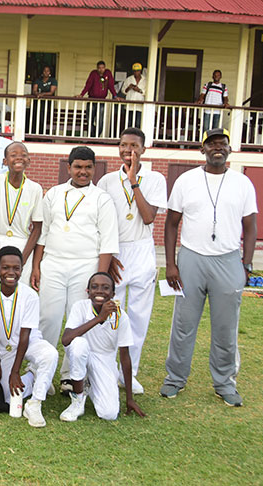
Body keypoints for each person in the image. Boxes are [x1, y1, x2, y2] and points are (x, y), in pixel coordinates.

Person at [162, 128, 257, 407]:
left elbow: (250, 227)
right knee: (183, 324)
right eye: (212, 144)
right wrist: (171, 264)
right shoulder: (186, 180)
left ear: (230, 149)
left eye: (223, 144)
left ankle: (225, 383)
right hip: (191, 258)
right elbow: (171, 224)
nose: (218, 148)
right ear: (202, 150)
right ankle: (175, 378)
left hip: (228, 259)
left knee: (226, 327)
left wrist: (246, 264)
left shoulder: (242, 183)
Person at [30, 146, 119, 393]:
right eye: (78, 167)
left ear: (94, 169)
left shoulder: (102, 199)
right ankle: (42, 370)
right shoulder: (54, 195)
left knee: (77, 318)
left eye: (88, 167)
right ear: (68, 168)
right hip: (53, 263)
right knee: (48, 317)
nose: (83, 172)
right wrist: (37, 266)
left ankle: (71, 374)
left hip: (86, 265)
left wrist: (99, 279)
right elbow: (43, 233)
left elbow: (108, 241)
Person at [97, 128, 166, 394]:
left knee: (138, 317)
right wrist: (108, 254)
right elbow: (102, 224)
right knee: (112, 314)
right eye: (124, 145)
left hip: (142, 252)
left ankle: (129, 373)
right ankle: (106, 369)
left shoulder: (155, 178)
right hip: (116, 252)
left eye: (134, 146)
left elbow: (148, 217)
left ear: (144, 149)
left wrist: (134, 180)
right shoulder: (106, 181)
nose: (129, 151)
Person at [59, 272, 146, 422]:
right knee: (79, 344)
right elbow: (66, 339)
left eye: (105, 288)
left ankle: (90, 385)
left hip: (105, 359)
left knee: (109, 414)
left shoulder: (121, 316)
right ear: (88, 292)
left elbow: (125, 357)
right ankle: (78, 400)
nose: (99, 291)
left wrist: (129, 398)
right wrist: (100, 318)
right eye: (94, 287)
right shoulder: (80, 307)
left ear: (112, 294)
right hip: (81, 353)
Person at [0, 246, 58, 427]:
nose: (11, 272)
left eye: (16, 268)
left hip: (29, 342)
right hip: (5, 347)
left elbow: (25, 336)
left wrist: (15, 372)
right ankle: (36, 377)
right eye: (5, 268)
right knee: (8, 398)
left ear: (21, 270)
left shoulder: (30, 296)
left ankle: (35, 403)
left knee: (50, 354)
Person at [0, 142, 43, 284]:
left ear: (29, 161)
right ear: (5, 161)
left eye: (23, 155)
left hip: (22, 244)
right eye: (13, 155)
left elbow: (37, 227)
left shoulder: (35, 188)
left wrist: (23, 258)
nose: (19, 158)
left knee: (19, 291)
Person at [77, 61, 119, 137]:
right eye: (99, 68)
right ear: (97, 68)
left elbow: (111, 86)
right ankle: (91, 136)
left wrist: (115, 96)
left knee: (100, 121)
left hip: (102, 100)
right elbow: (88, 85)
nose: (101, 69)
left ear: (105, 68)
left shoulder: (108, 73)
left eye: (102, 68)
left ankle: (96, 136)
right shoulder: (93, 73)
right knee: (90, 120)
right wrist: (82, 94)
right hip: (91, 100)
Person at [122, 63, 146, 128]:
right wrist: (129, 87)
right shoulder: (129, 79)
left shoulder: (145, 80)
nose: (136, 73)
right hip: (129, 106)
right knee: (129, 124)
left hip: (139, 106)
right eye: (134, 71)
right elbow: (123, 91)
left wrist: (139, 90)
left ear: (140, 71)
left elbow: (147, 92)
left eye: (137, 71)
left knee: (138, 124)